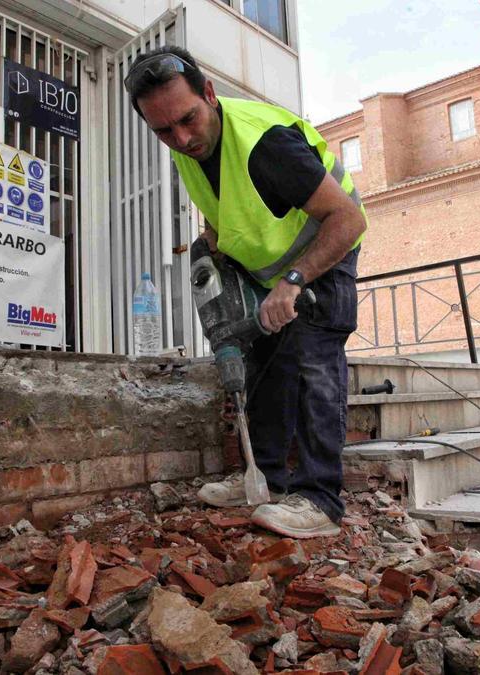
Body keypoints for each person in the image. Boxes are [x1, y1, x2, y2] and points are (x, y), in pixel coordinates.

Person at [125, 47, 367, 538]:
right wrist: (215, 254)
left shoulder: (267, 144)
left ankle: (321, 501)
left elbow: (348, 218)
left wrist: (294, 282)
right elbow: (222, 211)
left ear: (210, 95)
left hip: (327, 251)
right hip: (268, 273)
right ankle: (267, 478)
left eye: (189, 119)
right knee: (267, 366)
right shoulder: (188, 150)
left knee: (313, 363)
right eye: (164, 131)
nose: (182, 137)